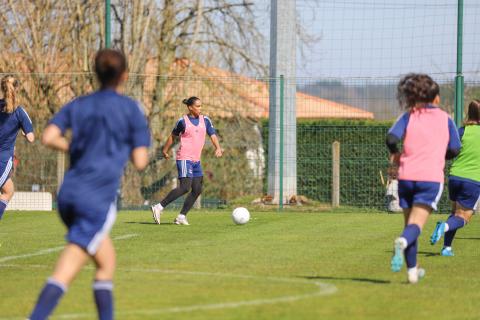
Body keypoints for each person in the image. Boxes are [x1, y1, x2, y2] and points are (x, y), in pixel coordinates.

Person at [29, 49, 150, 320]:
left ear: (96, 73)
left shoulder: (79, 103)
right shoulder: (131, 109)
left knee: (106, 262)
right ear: (125, 76)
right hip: (95, 199)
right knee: (67, 268)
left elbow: (48, 136)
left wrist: (72, 145)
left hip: (68, 194)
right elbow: (141, 161)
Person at [386, 73, 461, 284]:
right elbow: (455, 148)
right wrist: (440, 155)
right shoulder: (445, 118)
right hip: (430, 178)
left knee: (410, 224)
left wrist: (395, 154)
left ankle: (412, 272)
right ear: (436, 99)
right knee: (415, 226)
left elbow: (391, 138)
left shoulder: (410, 115)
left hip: (406, 176)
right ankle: (401, 242)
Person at [150, 96, 222, 225]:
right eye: (198, 106)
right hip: (184, 158)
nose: (201, 108)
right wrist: (165, 150)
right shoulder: (182, 121)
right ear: (190, 107)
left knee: (197, 189)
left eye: (201, 106)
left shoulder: (205, 120)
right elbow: (172, 136)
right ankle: (159, 207)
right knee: (185, 187)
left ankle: (181, 216)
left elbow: (212, 134)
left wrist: (218, 148)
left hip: (196, 160)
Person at [430, 100, 480, 256]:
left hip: (455, 178)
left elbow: (448, 150)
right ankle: (443, 227)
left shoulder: (461, 131)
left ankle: (447, 248)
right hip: (473, 181)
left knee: (454, 213)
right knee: (463, 218)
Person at [0, 75, 34, 220]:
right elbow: (31, 138)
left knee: (9, 190)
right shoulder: (19, 112)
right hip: (2, 159)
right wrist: (23, 132)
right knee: (7, 191)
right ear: (17, 89)